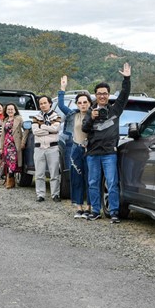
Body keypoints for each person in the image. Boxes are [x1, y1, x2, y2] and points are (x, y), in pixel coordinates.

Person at [82, 63, 131, 223]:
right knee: (93, 183)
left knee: (112, 183)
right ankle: (95, 211)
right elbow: (84, 128)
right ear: (95, 95)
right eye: (99, 93)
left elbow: (124, 95)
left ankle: (114, 212)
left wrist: (127, 79)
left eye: (105, 93)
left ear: (108, 95)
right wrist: (91, 118)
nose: (102, 96)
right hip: (93, 153)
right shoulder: (90, 111)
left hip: (110, 153)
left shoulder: (115, 110)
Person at [57, 75, 92, 218]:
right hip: (76, 149)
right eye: (80, 102)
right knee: (76, 177)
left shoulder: (94, 115)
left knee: (90, 178)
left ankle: (90, 207)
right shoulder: (73, 115)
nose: (83, 105)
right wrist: (62, 88)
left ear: (90, 103)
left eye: (85, 102)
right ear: (77, 104)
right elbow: (60, 105)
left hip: (90, 150)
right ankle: (79, 207)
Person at [31, 95, 62, 202]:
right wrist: (49, 130)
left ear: (50, 103)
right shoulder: (36, 117)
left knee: (54, 173)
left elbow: (56, 128)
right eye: (41, 103)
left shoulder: (56, 116)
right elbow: (35, 131)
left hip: (52, 147)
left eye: (45, 103)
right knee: (39, 173)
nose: (43, 105)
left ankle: (55, 194)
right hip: (39, 148)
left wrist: (42, 127)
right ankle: (40, 195)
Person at [0, 103, 26, 189]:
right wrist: (1, 147)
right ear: (6, 111)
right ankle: (11, 180)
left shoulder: (19, 119)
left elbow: (27, 129)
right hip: (6, 144)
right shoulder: (5, 120)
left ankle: (10, 180)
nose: (10, 111)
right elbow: (2, 135)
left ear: (15, 110)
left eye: (12, 109)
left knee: (13, 162)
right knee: (8, 162)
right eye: (8, 109)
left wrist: (23, 142)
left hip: (15, 144)